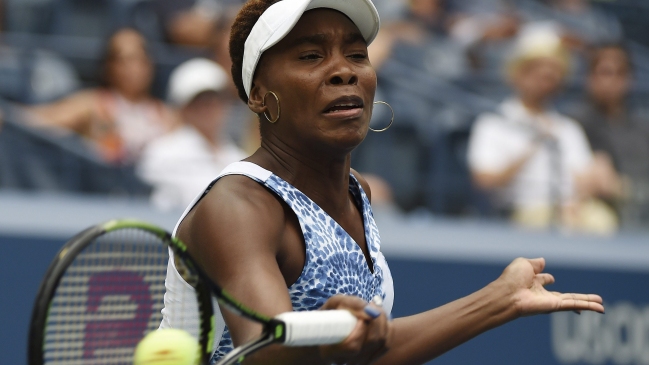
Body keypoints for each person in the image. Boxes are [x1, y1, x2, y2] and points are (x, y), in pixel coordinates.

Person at [160, 0, 604, 364]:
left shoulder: (358, 192)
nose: (344, 71)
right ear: (258, 93)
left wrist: (500, 300)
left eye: (356, 54)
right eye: (311, 56)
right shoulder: (237, 204)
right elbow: (263, 348)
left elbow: (369, 355)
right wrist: (325, 336)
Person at [467, 26, 617, 233]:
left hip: (571, 208)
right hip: (521, 210)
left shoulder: (568, 128)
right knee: (543, 222)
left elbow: (582, 176)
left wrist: (594, 176)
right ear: (518, 74)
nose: (545, 78)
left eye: (553, 73)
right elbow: (484, 180)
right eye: (536, 70)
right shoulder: (493, 124)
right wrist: (533, 146)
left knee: (602, 221)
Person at [25, 28, 177, 164]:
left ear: (149, 64)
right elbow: (42, 119)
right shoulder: (91, 104)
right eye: (121, 60)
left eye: (137, 58)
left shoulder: (167, 115)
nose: (131, 67)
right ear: (108, 66)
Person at [137, 58, 246, 211]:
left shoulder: (238, 158)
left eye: (217, 100)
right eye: (200, 102)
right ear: (182, 107)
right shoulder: (161, 152)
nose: (210, 108)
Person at [567, 44, 649, 227]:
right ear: (590, 77)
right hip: (599, 219)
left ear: (630, 79)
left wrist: (624, 189)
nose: (611, 81)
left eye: (619, 74)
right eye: (605, 72)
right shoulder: (572, 125)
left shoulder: (644, 128)